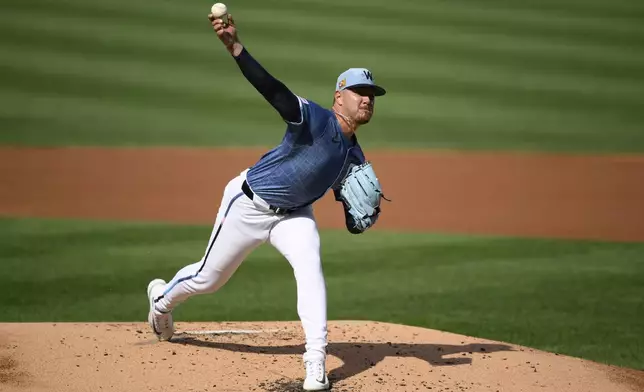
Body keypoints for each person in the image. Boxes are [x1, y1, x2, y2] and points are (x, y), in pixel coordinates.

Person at [146, 11, 387, 392]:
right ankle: (161, 302)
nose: (367, 100)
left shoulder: (354, 156)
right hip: (248, 204)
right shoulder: (313, 118)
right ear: (339, 97)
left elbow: (350, 209)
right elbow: (272, 89)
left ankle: (315, 363)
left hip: (295, 217)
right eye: (360, 93)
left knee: (310, 268)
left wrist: (357, 217)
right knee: (209, 279)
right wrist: (235, 47)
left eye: (372, 95)